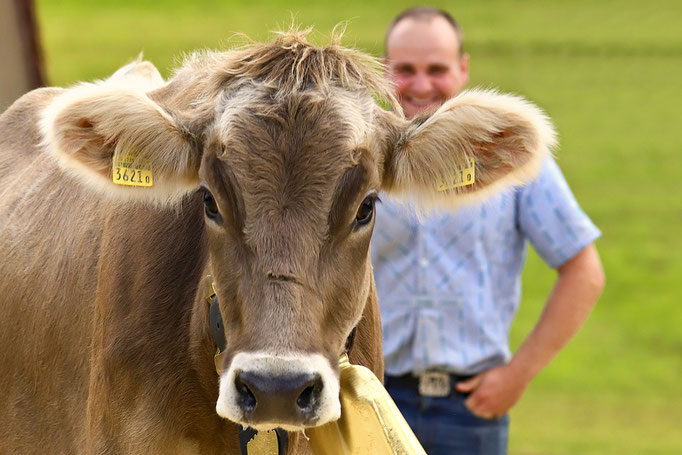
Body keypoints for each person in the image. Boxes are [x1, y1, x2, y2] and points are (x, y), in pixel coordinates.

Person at [372, 7, 605, 455]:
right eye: (406, 69)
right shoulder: (357, 155)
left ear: (462, 70)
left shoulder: (510, 154)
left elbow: (584, 271)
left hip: (469, 413)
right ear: (385, 71)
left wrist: (518, 375)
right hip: (372, 400)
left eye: (436, 69)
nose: (421, 84)